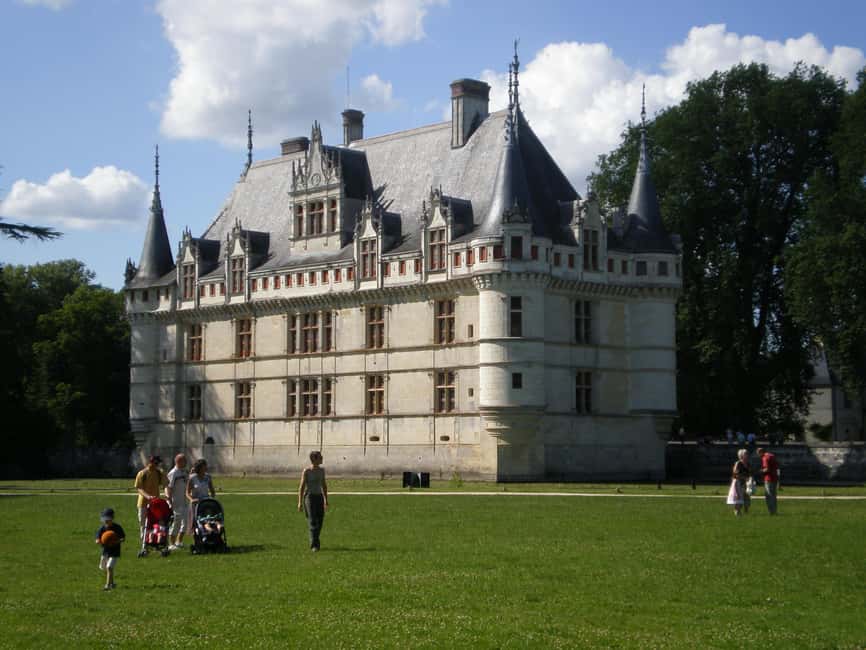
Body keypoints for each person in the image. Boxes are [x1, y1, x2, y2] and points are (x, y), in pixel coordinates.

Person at [134, 455, 166, 555]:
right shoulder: (142, 473)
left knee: (154, 525)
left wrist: (163, 472)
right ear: (150, 462)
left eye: (158, 464)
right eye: (155, 463)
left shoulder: (158, 473)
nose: (156, 465)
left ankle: (154, 543)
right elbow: (139, 488)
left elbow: (166, 483)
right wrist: (147, 496)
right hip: (143, 503)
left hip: (155, 504)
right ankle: (144, 546)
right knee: (144, 525)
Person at [298, 450, 329, 551]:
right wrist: (299, 502)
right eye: (320, 457)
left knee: (320, 521)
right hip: (309, 497)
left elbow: (324, 485)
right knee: (312, 521)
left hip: (319, 497)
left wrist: (325, 499)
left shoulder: (322, 470)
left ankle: (315, 542)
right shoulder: (306, 471)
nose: (322, 458)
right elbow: (301, 487)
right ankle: (314, 545)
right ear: (314, 459)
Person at [95, 508, 125, 591]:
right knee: (103, 567)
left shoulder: (117, 527)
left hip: (115, 552)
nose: (106, 522)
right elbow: (97, 538)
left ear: (112, 518)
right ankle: (112, 583)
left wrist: (116, 541)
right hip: (105, 552)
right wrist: (99, 541)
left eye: (108, 520)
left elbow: (123, 538)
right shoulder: (102, 528)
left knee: (109, 567)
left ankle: (107, 586)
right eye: (104, 520)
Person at [165, 453, 189, 550]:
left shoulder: (184, 472)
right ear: (178, 461)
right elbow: (168, 487)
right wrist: (169, 500)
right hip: (175, 502)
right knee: (176, 523)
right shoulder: (173, 473)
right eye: (184, 460)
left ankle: (179, 542)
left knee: (185, 523)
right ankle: (171, 544)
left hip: (184, 501)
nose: (186, 462)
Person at [725, 449, 752, 516]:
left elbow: (750, 473)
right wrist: (744, 477)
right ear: (741, 455)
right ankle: (737, 512)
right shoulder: (738, 463)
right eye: (746, 454)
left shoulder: (748, 464)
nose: (747, 455)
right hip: (738, 482)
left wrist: (750, 479)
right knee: (739, 498)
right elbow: (735, 473)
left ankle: (746, 512)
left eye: (747, 453)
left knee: (746, 497)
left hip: (745, 483)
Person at [757, 447, 780, 515]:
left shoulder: (765, 457)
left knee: (769, 496)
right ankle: (775, 511)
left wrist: (760, 471)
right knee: (773, 496)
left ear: (760, 452)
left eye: (758, 454)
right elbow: (777, 466)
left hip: (768, 479)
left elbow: (767, 469)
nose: (758, 456)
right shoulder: (771, 455)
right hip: (775, 478)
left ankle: (771, 512)